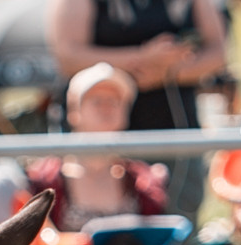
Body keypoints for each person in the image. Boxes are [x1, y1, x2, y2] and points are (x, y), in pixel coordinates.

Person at [46, 0, 227, 220]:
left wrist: (164, 73)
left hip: (172, 129)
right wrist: (141, 59)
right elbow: (67, 57)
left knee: (174, 226)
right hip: (101, 144)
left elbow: (218, 51)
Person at [26, 63, 167, 232]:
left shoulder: (144, 181)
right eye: (97, 101)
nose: (106, 108)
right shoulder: (44, 179)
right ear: (74, 111)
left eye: (114, 101)